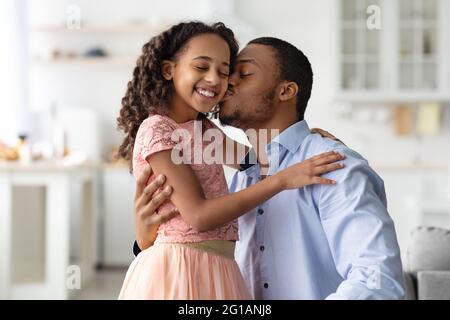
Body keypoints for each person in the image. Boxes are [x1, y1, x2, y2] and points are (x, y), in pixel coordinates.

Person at [132, 36, 406, 299]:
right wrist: (145, 241)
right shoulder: (242, 179)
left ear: (285, 91)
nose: (226, 84)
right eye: (229, 74)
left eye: (244, 73)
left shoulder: (333, 166)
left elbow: (377, 281)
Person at [116, 22, 344, 299]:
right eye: (201, 67)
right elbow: (199, 216)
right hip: (178, 268)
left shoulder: (204, 130)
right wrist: (282, 181)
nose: (215, 79)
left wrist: (305, 140)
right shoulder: (158, 130)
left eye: (224, 71)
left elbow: (260, 161)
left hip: (219, 268)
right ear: (168, 70)